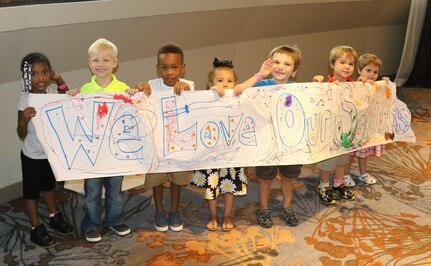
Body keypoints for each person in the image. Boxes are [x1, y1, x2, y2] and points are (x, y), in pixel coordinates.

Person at [235, 45, 302, 228]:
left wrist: (319, 82)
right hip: (266, 142)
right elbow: (240, 88)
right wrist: (260, 74)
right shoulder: (262, 85)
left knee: (288, 177)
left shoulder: (298, 88)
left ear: (294, 71)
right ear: (270, 64)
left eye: (287, 64)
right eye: (276, 62)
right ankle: (264, 209)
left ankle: (287, 208)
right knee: (265, 178)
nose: (281, 67)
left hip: (289, 142)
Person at [75, 38, 134, 242]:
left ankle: (115, 219)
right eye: (96, 60)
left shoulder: (123, 88)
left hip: (115, 151)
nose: (101, 64)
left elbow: (132, 114)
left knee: (115, 190)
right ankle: (91, 223)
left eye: (106, 60)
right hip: (92, 152)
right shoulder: (84, 90)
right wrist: (72, 97)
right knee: (91, 191)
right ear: (89, 62)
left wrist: (134, 97)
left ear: (116, 62)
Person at [17, 52, 74, 248]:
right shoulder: (25, 100)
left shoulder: (50, 93)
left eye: (44, 72)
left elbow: (66, 98)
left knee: (49, 187)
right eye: (33, 74)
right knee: (31, 193)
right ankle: (35, 228)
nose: (40, 78)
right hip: (32, 155)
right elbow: (21, 133)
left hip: (49, 154)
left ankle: (53, 216)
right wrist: (24, 120)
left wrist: (59, 79)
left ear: (50, 73)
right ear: (26, 78)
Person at [135, 43, 193, 232]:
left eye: (174, 67)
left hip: (179, 146)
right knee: (157, 182)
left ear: (183, 67)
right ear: (158, 69)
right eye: (165, 67)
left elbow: (194, 106)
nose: (169, 72)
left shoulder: (188, 85)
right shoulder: (152, 86)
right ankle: (159, 210)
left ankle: (174, 210)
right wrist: (141, 89)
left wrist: (186, 90)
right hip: (157, 147)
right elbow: (140, 100)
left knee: (177, 181)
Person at [190, 58, 247, 232]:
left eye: (230, 81)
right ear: (210, 84)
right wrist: (211, 94)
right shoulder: (207, 99)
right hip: (212, 153)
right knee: (212, 186)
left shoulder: (239, 99)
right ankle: (213, 215)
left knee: (229, 186)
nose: (225, 84)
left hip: (231, 153)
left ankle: (228, 215)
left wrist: (241, 90)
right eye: (220, 81)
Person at [313, 45, 357, 204]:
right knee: (329, 160)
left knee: (342, 160)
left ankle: (339, 184)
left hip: (346, 131)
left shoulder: (354, 85)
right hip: (330, 132)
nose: (347, 67)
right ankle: (324, 186)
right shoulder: (328, 84)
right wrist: (318, 83)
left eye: (351, 64)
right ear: (332, 64)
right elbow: (316, 98)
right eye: (342, 62)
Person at [344, 53, 387, 185]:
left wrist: (385, 84)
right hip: (354, 126)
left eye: (375, 72)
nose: (372, 74)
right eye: (368, 70)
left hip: (367, 126)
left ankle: (363, 173)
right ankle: (345, 175)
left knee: (364, 152)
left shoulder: (375, 86)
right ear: (359, 70)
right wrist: (361, 85)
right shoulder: (356, 84)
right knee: (350, 153)